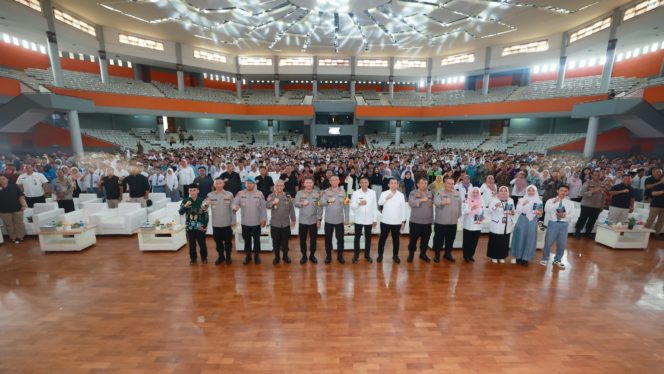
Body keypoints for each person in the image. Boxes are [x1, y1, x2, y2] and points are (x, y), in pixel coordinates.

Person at [233, 176, 267, 265]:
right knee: (246, 240)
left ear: (254, 184)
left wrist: (264, 219)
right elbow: (234, 203)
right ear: (245, 184)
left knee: (256, 240)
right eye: (247, 183)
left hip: (256, 222)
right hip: (245, 222)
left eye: (251, 183)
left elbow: (263, 208)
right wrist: (235, 207)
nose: (249, 184)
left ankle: (257, 256)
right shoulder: (240, 193)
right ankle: (248, 256)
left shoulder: (259, 193)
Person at [541, 185, 574, 269]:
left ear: (567, 192)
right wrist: (555, 202)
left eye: (565, 191)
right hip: (553, 223)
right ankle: (545, 258)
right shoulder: (550, 200)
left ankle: (558, 260)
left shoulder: (570, 203)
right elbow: (546, 210)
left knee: (561, 244)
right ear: (557, 191)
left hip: (564, 224)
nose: (563, 192)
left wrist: (564, 216)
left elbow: (572, 214)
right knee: (548, 242)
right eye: (561, 190)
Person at [320, 175, 350, 264]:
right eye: (332, 180)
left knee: (340, 239)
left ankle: (340, 256)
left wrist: (347, 217)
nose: (334, 181)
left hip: (339, 220)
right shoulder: (326, 191)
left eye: (336, 180)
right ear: (330, 182)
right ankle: (328, 256)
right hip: (328, 220)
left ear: (339, 181)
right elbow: (320, 202)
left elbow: (347, 205)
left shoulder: (343, 191)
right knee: (328, 239)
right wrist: (328, 201)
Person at [511, 185, 543, 266]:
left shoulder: (539, 201)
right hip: (522, 219)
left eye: (533, 190)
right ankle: (518, 256)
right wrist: (523, 204)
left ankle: (526, 258)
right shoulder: (521, 199)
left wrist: (539, 213)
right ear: (526, 191)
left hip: (532, 220)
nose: (531, 192)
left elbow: (540, 214)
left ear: (535, 191)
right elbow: (517, 211)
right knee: (520, 237)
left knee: (530, 238)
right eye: (529, 190)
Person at [433, 176, 462, 263]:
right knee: (439, 239)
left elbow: (459, 206)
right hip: (441, 222)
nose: (450, 185)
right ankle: (437, 255)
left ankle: (447, 254)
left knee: (450, 239)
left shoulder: (457, 193)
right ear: (445, 184)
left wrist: (458, 216)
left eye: (452, 183)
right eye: (448, 183)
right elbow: (436, 202)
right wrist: (443, 202)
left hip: (453, 222)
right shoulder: (439, 192)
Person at [207, 178, 236, 265]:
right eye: (217, 183)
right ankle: (221, 257)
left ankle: (228, 257)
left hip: (227, 223)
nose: (219, 185)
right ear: (214, 185)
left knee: (228, 242)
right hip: (216, 224)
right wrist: (205, 204)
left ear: (223, 184)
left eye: (220, 183)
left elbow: (233, 208)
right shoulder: (210, 195)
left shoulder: (229, 194)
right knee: (218, 243)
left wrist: (234, 220)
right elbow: (204, 207)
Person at [377, 178, 406, 264]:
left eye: (395, 183)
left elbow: (403, 209)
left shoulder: (401, 195)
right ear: (389, 185)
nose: (393, 185)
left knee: (396, 240)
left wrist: (403, 221)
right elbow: (379, 203)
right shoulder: (384, 193)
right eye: (392, 183)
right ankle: (380, 255)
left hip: (396, 222)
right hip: (385, 221)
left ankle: (395, 255)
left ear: (397, 185)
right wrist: (386, 198)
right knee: (382, 239)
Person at [179, 183, 209, 265]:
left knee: (202, 243)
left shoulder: (202, 200)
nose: (192, 192)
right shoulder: (185, 200)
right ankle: (193, 258)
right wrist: (185, 206)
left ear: (198, 191)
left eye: (194, 190)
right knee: (192, 244)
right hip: (190, 226)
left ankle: (204, 258)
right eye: (190, 190)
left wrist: (204, 225)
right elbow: (180, 212)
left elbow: (205, 214)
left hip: (200, 226)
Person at [294, 176, 322, 264]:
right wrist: (302, 203)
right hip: (303, 220)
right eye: (307, 182)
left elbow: (319, 208)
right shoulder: (299, 193)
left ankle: (312, 255)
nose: (309, 184)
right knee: (302, 239)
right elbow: (296, 203)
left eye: (310, 182)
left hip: (313, 221)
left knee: (313, 239)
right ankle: (304, 255)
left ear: (313, 183)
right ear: (304, 183)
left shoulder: (317, 193)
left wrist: (319, 219)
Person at [267, 180, 296, 264]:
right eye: (277, 185)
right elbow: (267, 206)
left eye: (281, 185)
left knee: (285, 241)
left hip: (286, 223)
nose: (279, 187)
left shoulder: (287, 196)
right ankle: (277, 257)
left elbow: (291, 209)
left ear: (283, 187)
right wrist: (273, 203)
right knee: (275, 241)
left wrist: (293, 220)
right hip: (275, 224)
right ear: (275, 186)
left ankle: (285, 256)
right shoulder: (271, 196)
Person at [350, 176, 377, 263]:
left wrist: (375, 219)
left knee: (368, 238)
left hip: (369, 219)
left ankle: (367, 255)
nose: (364, 184)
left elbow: (374, 206)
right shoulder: (356, 193)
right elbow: (352, 206)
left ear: (368, 183)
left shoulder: (373, 192)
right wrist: (359, 203)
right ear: (359, 184)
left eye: (366, 182)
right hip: (359, 219)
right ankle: (356, 255)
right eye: (362, 182)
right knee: (357, 238)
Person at [486, 186, 515, 263]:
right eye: (501, 191)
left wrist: (511, 212)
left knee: (504, 240)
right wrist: (495, 206)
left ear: (507, 192)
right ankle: (494, 256)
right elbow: (489, 212)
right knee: (496, 240)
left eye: (505, 191)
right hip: (497, 224)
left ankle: (502, 256)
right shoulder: (494, 200)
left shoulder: (511, 200)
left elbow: (513, 211)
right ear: (499, 192)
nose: (503, 192)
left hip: (507, 223)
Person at [407, 177, 433, 263]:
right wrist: (421, 200)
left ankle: (423, 254)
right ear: (418, 184)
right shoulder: (413, 193)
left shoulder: (430, 193)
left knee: (425, 240)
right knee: (413, 240)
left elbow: (433, 205)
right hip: (415, 222)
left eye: (425, 183)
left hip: (427, 222)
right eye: (422, 183)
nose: (424, 185)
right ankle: (411, 254)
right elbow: (411, 203)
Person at [574, 170, 604, 239]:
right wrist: (593, 191)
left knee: (592, 220)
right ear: (592, 175)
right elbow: (582, 193)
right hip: (586, 205)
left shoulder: (602, 184)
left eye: (599, 175)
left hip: (597, 206)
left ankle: (588, 233)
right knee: (582, 219)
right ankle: (577, 232)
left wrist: (602, 205)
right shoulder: (587, 183)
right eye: (596, 175)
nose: (598, 176)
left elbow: (603, 196)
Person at [0, 174, 27, 244]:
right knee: (9, 225)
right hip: (4, 211)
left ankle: (21, 237)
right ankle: (13, 238)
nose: (2, 181)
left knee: (19, 223)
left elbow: (20, 196)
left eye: (3, 179)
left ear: (7, 179)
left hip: (17, 209)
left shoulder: (14, 186)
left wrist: (23, 205)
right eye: (0, 179)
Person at [461, 187, 484, 263]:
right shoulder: (466, 201)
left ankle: (471, 255)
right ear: (471, 193)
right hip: (468, 225)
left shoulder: (481, 201)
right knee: (467, 241)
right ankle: (466, 256)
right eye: (473, 192)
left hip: (477, 225)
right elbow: (464, 211)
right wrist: (471, 208)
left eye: (477, 192)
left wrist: (481, 215)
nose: (475, 194)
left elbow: (484, 211)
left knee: (474, 242)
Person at [645, 174, 664, 239]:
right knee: (650, 219)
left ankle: (657, 234)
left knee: (661, 221)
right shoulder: (657, 186)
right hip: (655, 205)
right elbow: (653, 193)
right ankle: (645, 233)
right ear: (661, 179)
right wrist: (662, 191)